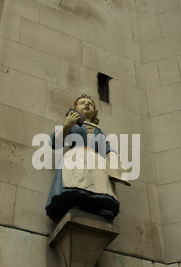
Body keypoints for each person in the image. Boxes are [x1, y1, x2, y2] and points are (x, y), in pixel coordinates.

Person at [45, 94, 125, 223]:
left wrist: (114, 155)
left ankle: (99, 205)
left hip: (96, 161)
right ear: (75, 109)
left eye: (90, 103)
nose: (86, 104)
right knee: (76, 179)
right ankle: (75, 201)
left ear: (94, 112)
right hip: (76, 156)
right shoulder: (72, 125)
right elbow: (55, 143)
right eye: (82, 102)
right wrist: (67, 126)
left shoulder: (98, 131)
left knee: (99, 180)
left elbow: (106, 148)